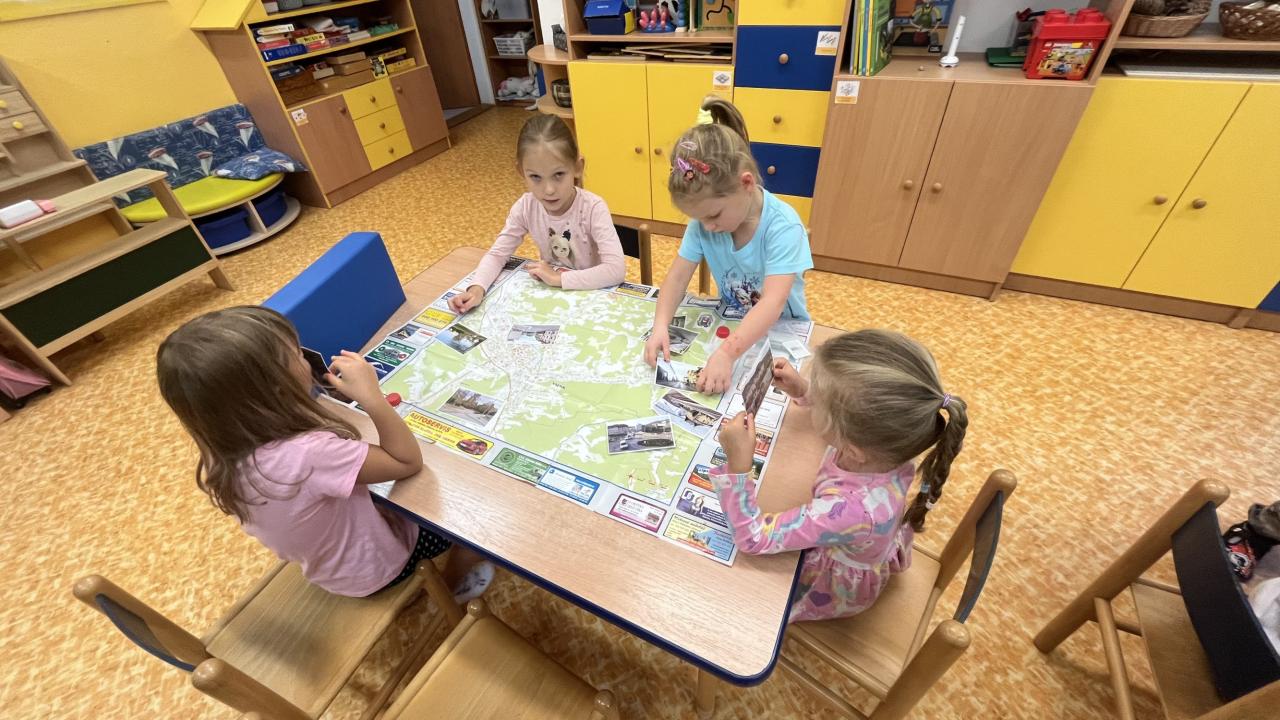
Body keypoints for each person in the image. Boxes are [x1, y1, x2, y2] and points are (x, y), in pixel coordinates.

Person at [156, 306, 492, 600]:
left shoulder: (219, 447)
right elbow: (407, 462)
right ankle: (450, 586)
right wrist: (372, 397)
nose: (306, 358)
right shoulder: (307, 455)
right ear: (276, 389)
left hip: (329, 570)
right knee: (472, 522)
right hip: (381, 569)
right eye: (297, 354)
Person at [712, 329, 968, 622]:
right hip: (865, 538)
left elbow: (753, 538)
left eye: (821, 402)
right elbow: (857, 415)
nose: (816, 401)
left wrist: (739, 466)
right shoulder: (895, 439)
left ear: (852, 449)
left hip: (834, 585)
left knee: (735, 598)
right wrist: (804, 390)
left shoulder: (849, 509)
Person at [643, 96, 813, 394]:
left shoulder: (783, 227)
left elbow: (772, 303)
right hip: (734, 324)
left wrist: (726, 354)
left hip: (783, 331)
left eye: (713, 216)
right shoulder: (704, 222)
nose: (707, 226)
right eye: (699, 218)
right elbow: (677, 278)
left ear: (746, 184)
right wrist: (660, 325)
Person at [449, 115, 626, 314]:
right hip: (555, 301)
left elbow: (616, 270)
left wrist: (559, 278)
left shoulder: (593, 207)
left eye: (558, 174)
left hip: (593, 297)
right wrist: (477, 288)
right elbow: (497, 255)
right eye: (535, 177)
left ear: (577, 167)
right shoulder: (526, 207)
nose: (548, 190)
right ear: (521, 171)